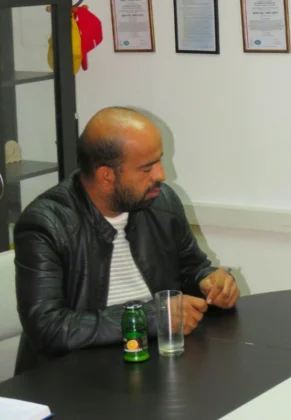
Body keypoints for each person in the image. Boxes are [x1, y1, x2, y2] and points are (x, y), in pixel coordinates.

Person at [13, 107, 240, 374]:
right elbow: (47, 328)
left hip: (155, 364)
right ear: (106, 176)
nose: (161, 175)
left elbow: (192, 268)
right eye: (147, 168)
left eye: (159, 161)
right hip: (75, 376)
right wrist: (150, 316)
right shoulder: (46, 224)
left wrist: (211, 283)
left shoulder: (162, 202)